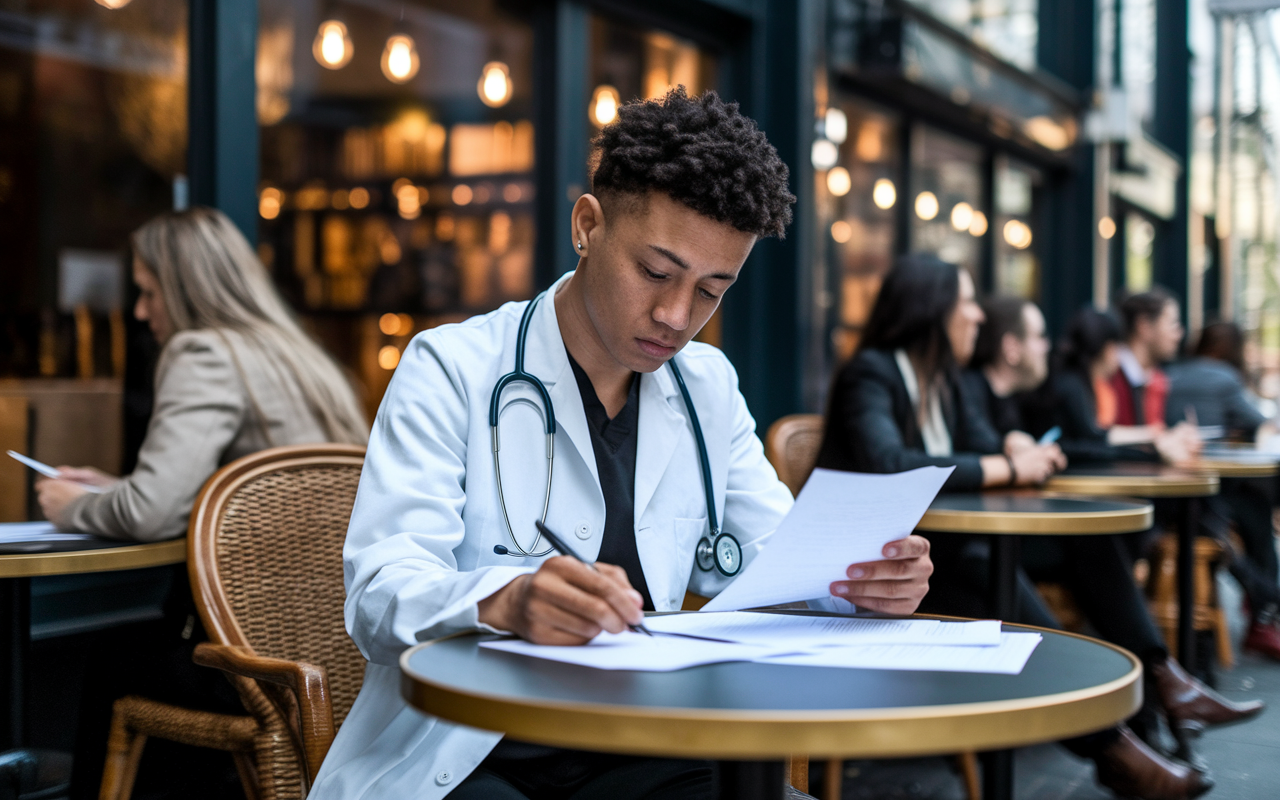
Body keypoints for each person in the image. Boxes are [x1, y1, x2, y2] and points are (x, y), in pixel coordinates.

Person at [307, 88, 933, 800]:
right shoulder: (451, 368)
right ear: (588, 225)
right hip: (473, 759)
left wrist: (857, 584)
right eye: (656, 273)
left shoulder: (707, 385)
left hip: (653, 747)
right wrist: (505, 599)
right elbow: (381, 592)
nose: (675, 316)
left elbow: (773, 562)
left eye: (711, 291)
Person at [817, 261, 1245, 800]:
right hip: (875, 577)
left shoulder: (942, 380)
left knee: (1085, 540)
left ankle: (1160, 676)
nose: (977, 315)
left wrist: (1013, 445)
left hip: (934, 556)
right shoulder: (874, 372)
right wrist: (1008, 466)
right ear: (932, 310)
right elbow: (890, 462)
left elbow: (984, 443)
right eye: (967, 303)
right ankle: (1110, 744)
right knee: (984, 567)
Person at [36, 207, 370, 799]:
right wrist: (110, 488)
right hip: (338, 654)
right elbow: (230, 491)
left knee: (112, 661)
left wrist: (69, 507)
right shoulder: (301, 359)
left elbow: (151, 513)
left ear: (186, 287)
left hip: (253, 665)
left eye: (147, 292)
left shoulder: (204, 353)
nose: (140, 313)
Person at [1168, 322, 1280, 660]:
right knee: (1257, 511)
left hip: (1172, 485)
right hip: (1207, 491)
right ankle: (1263, 614)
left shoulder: (1171, 373)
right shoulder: (1225, 378)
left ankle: (1262, 598)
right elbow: (1261, 422)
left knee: (1246, 511)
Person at [1033, 307, 1197, 465]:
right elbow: (1094, 438)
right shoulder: (1072, 385)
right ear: (1106, 348)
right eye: (1118, 347)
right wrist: (1152, 451)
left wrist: (1154, 437)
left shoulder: (1078, 381)